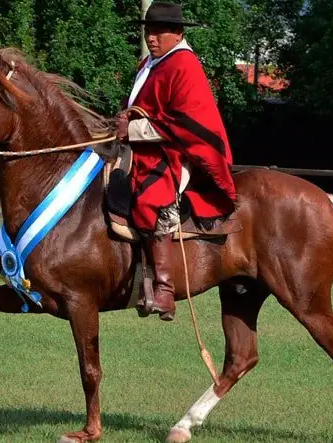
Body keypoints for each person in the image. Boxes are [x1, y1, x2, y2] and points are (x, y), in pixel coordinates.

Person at [116, 1, 236, 321]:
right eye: (148, 31)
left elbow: (184, 123)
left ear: (177, 33)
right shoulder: (150, 64)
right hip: (145, 146)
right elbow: (139, 106)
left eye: (158, 32)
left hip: (179, 153)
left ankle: (165, 289)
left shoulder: (184, 64)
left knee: (150, 197)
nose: (151, 37)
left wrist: (133, 128)